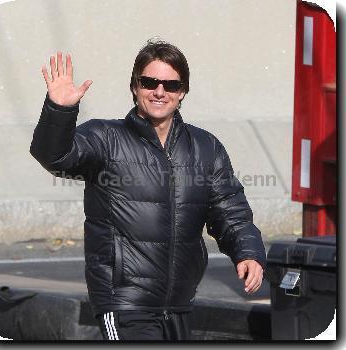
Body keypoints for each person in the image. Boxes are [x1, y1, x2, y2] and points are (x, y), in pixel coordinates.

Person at [30, 39, 266, 341]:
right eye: (149, 82)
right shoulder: (105, 138)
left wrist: (248, 253)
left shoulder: (206, 147)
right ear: (134, 86)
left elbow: (230, 211)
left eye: (170, 85)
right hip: (124, 301)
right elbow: (55, 157)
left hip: (178, 303)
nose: (159, 91)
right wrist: (59, 111)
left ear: (182, 92)